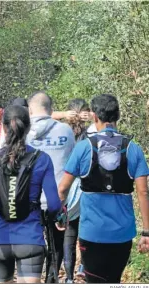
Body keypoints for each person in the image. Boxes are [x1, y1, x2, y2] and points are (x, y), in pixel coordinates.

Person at [58, 94, 149, 283]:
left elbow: (63, 188)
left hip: (92, 232)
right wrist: (146, 232)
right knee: (114, 281)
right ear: (118, 116)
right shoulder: (134, 149)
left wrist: (60, 213)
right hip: (122, 233)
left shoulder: (84, 147)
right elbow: (143, 192)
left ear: (94, 117)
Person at [0, 105, 62, 283]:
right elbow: (53, 204)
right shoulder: (42, 159)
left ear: (4, 128)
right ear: (28, 128)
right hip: (31, 238)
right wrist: (57, 216)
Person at [26, 91, 75, 283]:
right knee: (57, 244)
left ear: (30, 110)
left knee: (32, 243)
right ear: (52, 109)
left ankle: (32, 278)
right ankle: (51, 278)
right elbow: (71, 161)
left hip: (30, 198)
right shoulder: (65, 131)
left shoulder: (22, 131)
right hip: (59, 198)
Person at [60, 98, 90, 283]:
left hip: (69, 186)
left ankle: (70, 277)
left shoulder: (61, 131)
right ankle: (82, 268)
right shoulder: (89, 133)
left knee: (69, 233)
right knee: (83, 231)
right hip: (82, 187)